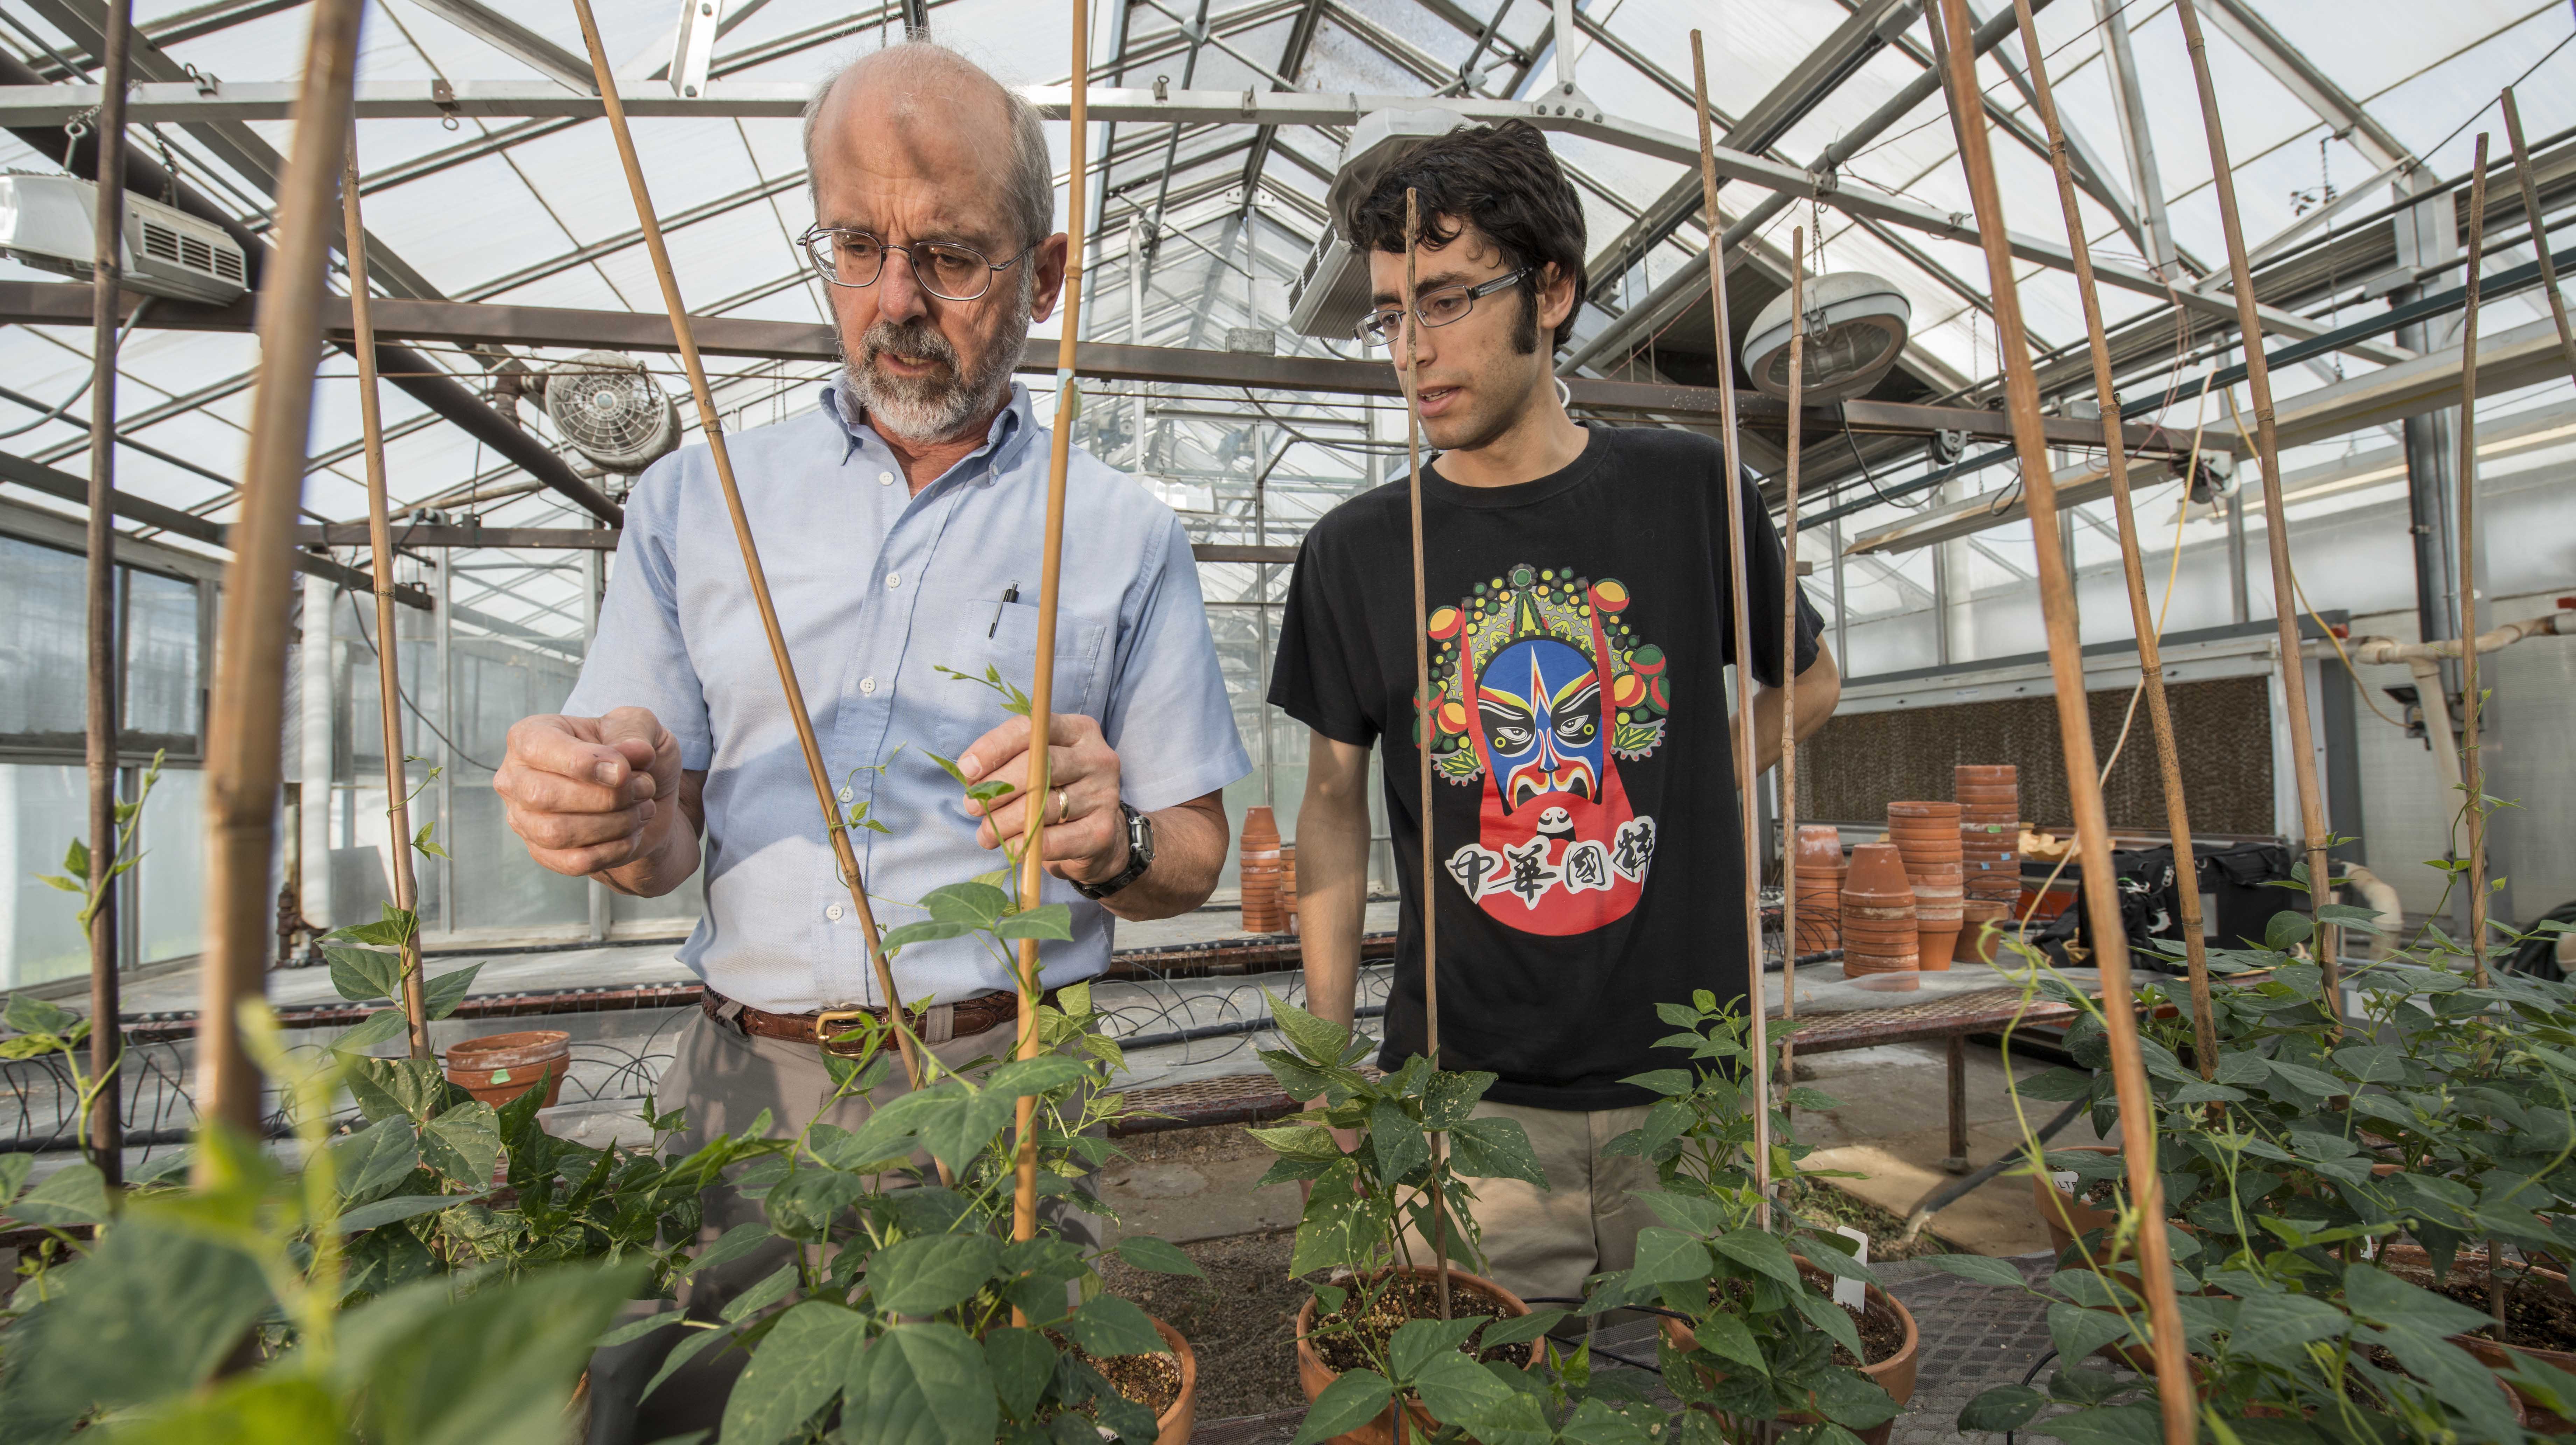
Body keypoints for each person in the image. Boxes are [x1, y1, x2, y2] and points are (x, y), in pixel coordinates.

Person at [491, 40, 1249, 1432]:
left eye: (951, 256)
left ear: (1047, 273)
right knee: (697, 1411)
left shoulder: (1124, 534)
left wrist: (1116, 836)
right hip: (741, 1085)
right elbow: (663, 839)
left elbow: (1198, 856)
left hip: (999, 1100)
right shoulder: (696, 500)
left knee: (994, 1411)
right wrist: (611, 805)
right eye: (854, 245)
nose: (893, 303)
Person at [1269, 119, 1842, 1304]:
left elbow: (1812, 680)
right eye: (1389, 314)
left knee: (1721, 1398)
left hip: (1691, 1081)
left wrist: (1695, 783)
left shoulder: (1689, 489)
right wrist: (1333, 1069)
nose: (1410, 351)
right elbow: (1328, 808)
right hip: (1462, 1106)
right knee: (1471, 1400)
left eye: (1445, 299)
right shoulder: (1358, 552)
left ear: (1554, 289)